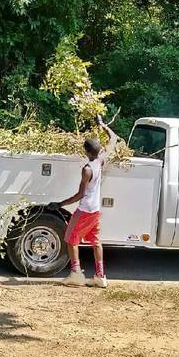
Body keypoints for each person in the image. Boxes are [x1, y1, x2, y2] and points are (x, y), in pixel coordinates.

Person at [57, 116, 119, 288]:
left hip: (84, 210)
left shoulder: (87, 169)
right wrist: (103, 125)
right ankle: (100, 277)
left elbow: (80, 195)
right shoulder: (101, 160)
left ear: (87, 152)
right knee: (96, 242)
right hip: (95, 210)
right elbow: (113, 139)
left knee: (71, 239)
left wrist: (60, 204)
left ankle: (76, 274)